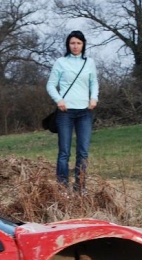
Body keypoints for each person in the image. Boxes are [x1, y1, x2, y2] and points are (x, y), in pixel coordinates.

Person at [46, 30, 99, 192]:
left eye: (78, 43)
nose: (75, 46)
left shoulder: (89, 62)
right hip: (65, 112)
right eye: (72, 43)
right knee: (64, 152)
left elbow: (94, 83)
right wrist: (59, 100)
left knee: (83, 152)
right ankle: (62, 187)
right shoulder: (61, 62)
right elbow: (50, 85)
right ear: (68, 45)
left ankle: (80, 186)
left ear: (83, 44)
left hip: (85, 112)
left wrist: (94, 98)